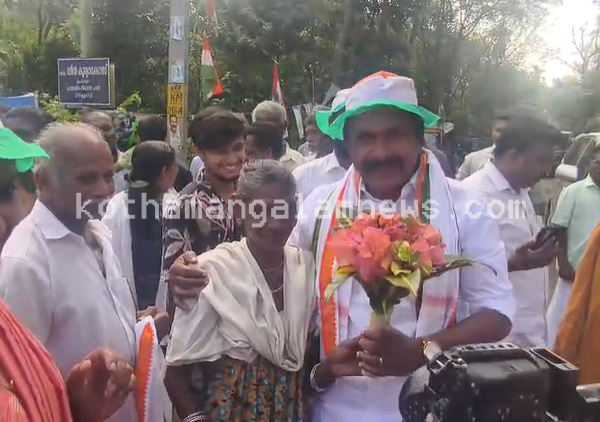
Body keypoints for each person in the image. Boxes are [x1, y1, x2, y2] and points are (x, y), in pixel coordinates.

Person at [168, 72, 515, 422]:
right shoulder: (320, 206)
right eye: (366, 138)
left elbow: (497, 313)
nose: (381, 152)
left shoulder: (464, 209)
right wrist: (195, 273)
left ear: (417, 137)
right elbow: (274, 272)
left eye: (394, 135)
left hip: (431, 408)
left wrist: (423, 349)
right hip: (332, 408)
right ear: (348, 144)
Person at [0, 123, 142, 422]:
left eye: (108, 176)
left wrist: (142, 326)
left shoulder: (98, 233)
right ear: (43, 180)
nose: (104, 190)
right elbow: (18, 383)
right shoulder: (25, 262)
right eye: (86, 179)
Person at [165, 160, 318, 421]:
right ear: (238, 208)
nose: (275, 223)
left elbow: (310, 356)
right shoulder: (211, 271)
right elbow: (175, 373)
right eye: (260, 211)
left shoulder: (305, 268)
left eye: (284, 210)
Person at [462, 115, 562, 347]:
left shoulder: (521, 191)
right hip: (493, 341)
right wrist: (512, 263)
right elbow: (453, 272)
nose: (547, 170)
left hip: (530, 331)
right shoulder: (471, 195)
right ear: (513, 155)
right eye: (542, 160)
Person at [161, 110, 246, 301]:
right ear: (199, 152)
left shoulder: (257, 194)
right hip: (207, 310)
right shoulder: (184, 206)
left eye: (237, 148)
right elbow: (178, 281)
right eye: (220, 152)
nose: (232, 159)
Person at [103, 141, 178, 318]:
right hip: (165, 314)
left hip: (123, 310)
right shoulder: (174, 206)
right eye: (174, 167)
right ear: (164, 172)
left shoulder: (116, 204)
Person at [546, 145, 600, 346]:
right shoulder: (574, 192)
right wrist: (563, 264)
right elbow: (559, 229)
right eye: (599, 163)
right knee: (561, 324)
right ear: (589, 163)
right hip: (574, 274)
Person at [455, 110, 510, 180]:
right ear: (492, 131)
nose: (501, 135)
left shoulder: (518, 163)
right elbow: (457, 184)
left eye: (505, 131)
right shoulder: (473, 159)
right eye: (498, 130)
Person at [253, 101, 305, 171]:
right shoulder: (245, 161)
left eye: (272, 128)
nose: (267, 132)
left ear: (284, 126)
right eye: (261, 127)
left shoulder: (299, 162)